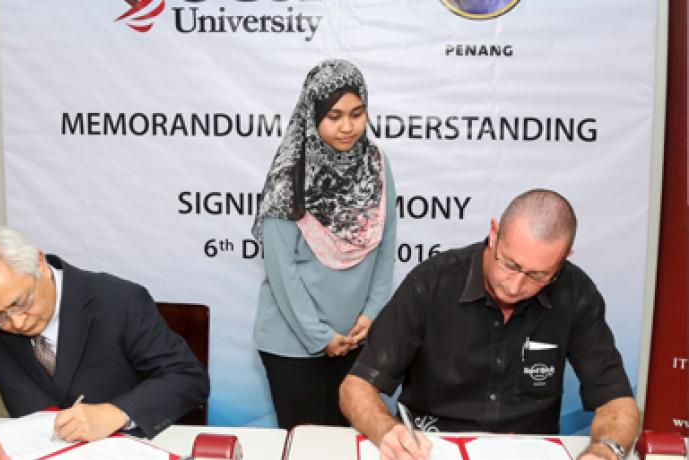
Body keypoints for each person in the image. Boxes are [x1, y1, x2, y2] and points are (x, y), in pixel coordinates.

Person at [340, 189, 640, 460]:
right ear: (494, 234)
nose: (514, 286)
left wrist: (605, 453)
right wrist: (387, 431)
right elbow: (356, 387)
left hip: (529, 452)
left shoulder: (576, 294)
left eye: (538, 276)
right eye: (510, 264)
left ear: (563, 260)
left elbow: (617, 401)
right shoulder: (431, 283)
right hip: (431, 449)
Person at [0, 226, 209, 460]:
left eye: (21, 303)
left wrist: (116, 413)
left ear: (39, 264)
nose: (16, 323)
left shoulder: (118, 301)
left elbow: (187, 377)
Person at [251, 58, 397, 429]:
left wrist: (371, 314)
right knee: (307, 447)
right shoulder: (290, 174)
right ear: (312, 113)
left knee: (353, 446)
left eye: (357, 113)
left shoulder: (377, 165)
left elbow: (385, 245)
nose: (347, 127)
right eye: (334, 115)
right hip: (293, 345)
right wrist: (320, 337)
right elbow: (281, 271)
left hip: (357, 338)